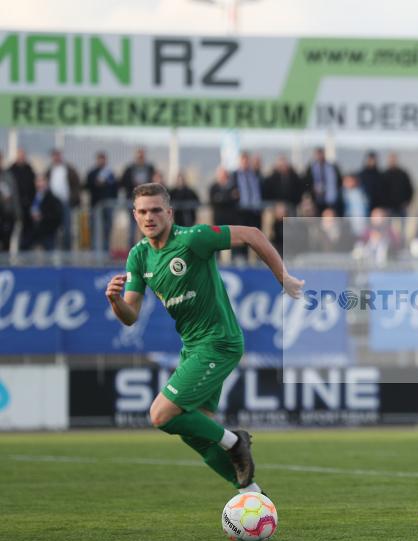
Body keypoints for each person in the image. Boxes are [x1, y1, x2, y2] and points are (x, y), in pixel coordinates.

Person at [104, 182, 303, 495]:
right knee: (194, 430)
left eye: (156, 210)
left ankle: (235, 441)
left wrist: (283, 277)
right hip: (193, 347)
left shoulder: (193, 239)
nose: (149, 217)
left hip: (219, 341)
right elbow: (130, 316)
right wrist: (115, 301)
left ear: (169, 212)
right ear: (134, 215)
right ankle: (251, 494)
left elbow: (251, 233)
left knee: (160, 414)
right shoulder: (138, 257)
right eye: (142, 211)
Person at [46, 149, 80, 250]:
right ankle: (53, 249)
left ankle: (67, 250)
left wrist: (73, 199)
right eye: (54, 156)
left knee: (67, 228)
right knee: (53, 228)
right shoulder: (49, 170)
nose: (56, 158)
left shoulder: (68, 169)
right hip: (53, 204)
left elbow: (76, 184)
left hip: (65, 202)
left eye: (58, 155)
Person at [85, 151, 119, 251]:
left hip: (108, 206)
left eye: (103, 159)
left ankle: (105, 250)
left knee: (107, 229)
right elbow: (87, 186)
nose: (101, 161)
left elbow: (115, 188)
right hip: (95, 205)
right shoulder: (92, 173)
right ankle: (94, 250)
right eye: (100, 159)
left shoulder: (110, 174)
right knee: (94, 229)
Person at [27, 175, 63, 251]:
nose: (40, 184)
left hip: (47, 234)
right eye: (38, 181)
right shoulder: (31, 197)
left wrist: (42, 216)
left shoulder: (53, 199)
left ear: (46, 183)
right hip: (32, 233)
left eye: (42, 181)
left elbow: (56, 216)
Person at [9, 149, 36, 247]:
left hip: (27, 205)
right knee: (12, 229)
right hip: (15, 205)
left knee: (27, 230)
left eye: (23, 155)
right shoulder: (11, 170)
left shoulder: (29, 169)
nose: (21, 157)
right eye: (19, 155)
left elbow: (33, 187)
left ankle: (25, 248)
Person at [305, 147, 343, 216]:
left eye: (321, 154)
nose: (319, 156)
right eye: (317, 154)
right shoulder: (311, 168)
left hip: (331, 199)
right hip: (316, 199)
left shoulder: (332, 167)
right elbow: (307, 182)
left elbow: (339, 181)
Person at [383, 152, 415, 217]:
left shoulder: (403, 174)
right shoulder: (384, 174)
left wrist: (407, 202)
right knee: (389, 225)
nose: (392, 161)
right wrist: (385, 204)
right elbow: (381, 191)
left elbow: (410, 189)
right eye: (391, 159)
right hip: (389, 207)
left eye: (393, 159)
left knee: (402, 225)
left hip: (402, 207)